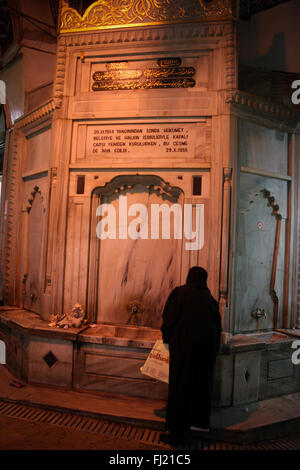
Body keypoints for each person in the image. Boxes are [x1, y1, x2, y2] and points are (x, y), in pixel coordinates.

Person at [160, 266, 222, 445]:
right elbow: (217, 327)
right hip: (205, 352)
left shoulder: (179, 293)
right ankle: (197, 424)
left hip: (183, 350)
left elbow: (168, 320)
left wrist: (167, 341)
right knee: (199, 387)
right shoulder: (210, 299)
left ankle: (177, 434)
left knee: (181, 389)